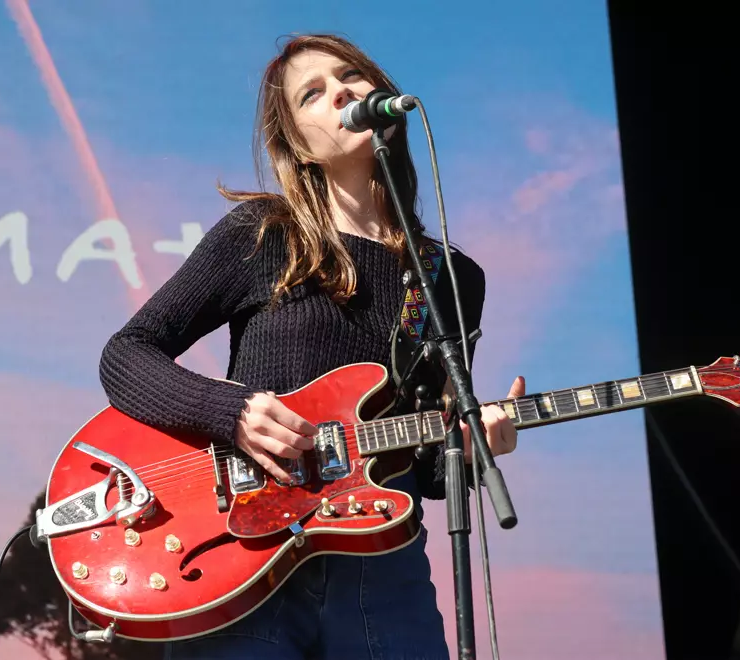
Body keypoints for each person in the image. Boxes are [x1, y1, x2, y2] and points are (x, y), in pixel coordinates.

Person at [99, 33, 525, 660]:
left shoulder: (451, 279)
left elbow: (429, 469)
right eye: (313, 94)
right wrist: (231, 412)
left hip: (384, 573)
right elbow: (126, 353)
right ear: (299, 145)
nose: (342, 93)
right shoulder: (262, 234)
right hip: (248, 558)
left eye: (351, 76)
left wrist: (472, 440)